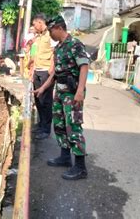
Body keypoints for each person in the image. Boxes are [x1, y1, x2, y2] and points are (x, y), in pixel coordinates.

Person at [34, 15, 89, 180]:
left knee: (73, 127)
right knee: (59, 125)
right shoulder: (58, 48)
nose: (49, 34)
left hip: (73, 93)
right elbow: (55, 73)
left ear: (58, 28)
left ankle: (80, 167)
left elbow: (84, 66)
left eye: (51, 30)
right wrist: (43, 88)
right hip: (60, 92)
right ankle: (65, 157)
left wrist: (80, 90)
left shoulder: (75, 45)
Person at [31, 13, 57, 140]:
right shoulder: (39, 36)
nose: (34, 27)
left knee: (46, 101)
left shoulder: (50, 35)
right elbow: (36, 54)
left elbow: (54, 52)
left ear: (40, 23)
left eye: (35, 24)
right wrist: (33, 71)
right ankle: (41, 124)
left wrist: (51, 70)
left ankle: (46, 129)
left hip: (46, 71)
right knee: (38, 99)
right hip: (37, 71)